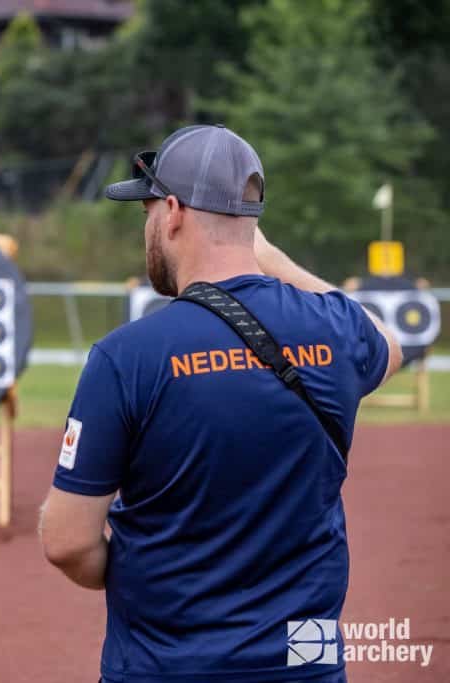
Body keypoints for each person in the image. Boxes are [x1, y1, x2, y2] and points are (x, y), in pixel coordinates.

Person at [39, 125, 403, 683]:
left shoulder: (127, 357)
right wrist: (272, 259)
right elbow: (391, 343)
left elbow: (66, 542)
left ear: (174, 211)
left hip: (165, 666)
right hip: (303, 664)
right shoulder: (337, 333)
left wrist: (146, 577)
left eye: (147, 213)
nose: (148, 230)